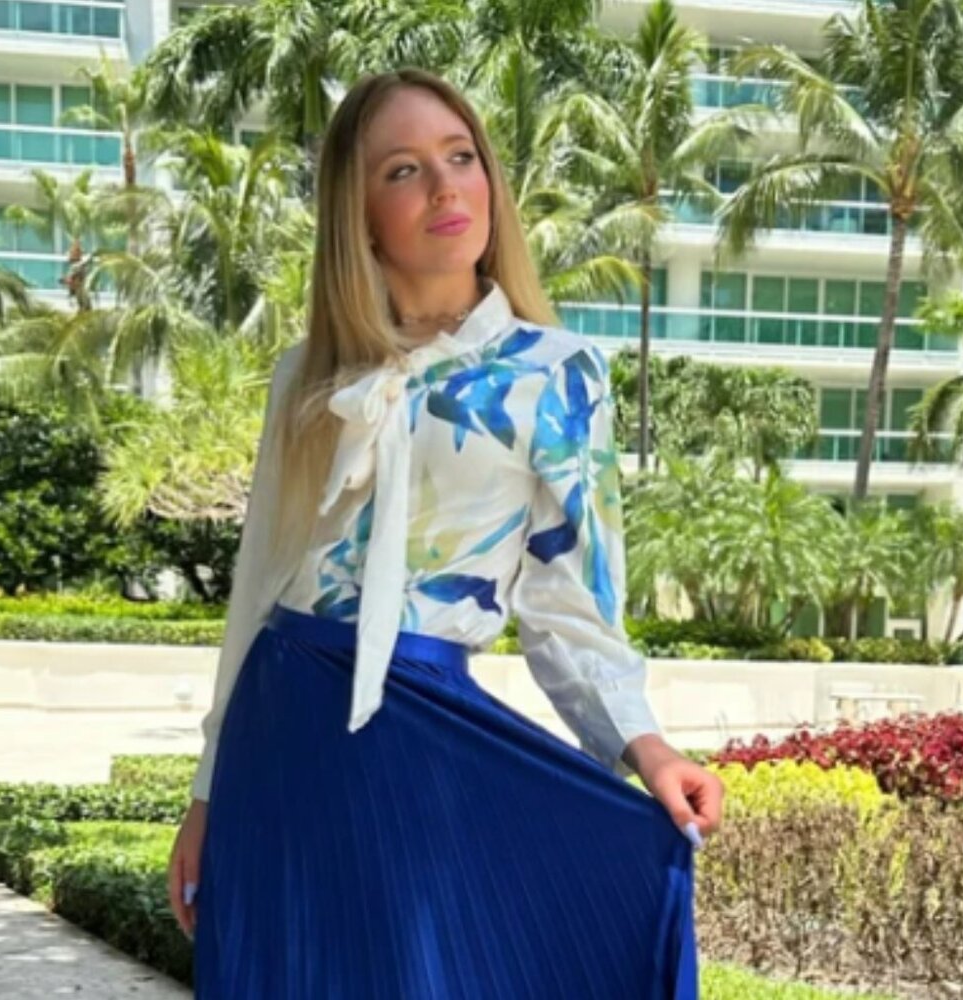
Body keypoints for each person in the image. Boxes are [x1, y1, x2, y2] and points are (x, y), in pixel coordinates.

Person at [167, 67, 724, 999]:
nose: (444, 186)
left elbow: (567, 605)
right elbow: (257, 586)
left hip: (424, 729)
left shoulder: (558, 373)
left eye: (460, 157)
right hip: (281, 732)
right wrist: (207, 795)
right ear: (360, 213)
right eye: (403, 170)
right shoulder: (306, 371)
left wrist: (646, 745)